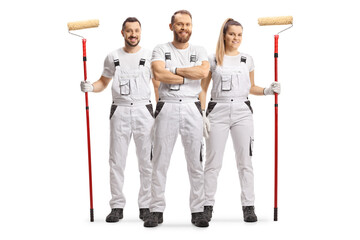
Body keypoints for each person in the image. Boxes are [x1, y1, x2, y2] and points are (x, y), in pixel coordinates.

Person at [199, 18, 281, 223]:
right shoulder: (213, 59)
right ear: (224, 35)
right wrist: (201, 113)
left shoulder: (247, 59)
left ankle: (248, 207)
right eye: (232, 34)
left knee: (245, 162)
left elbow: (250, 87)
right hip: (217, 110)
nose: (236, 38)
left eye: (239, 34)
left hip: (242, 112)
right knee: (212, 162)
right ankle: (206, 206)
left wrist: (268, 91)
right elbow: (202, 89)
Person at [80, 17, 157, 223]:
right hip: (119, 112)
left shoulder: (150, 56)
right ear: (122, 33)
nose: (133, 34)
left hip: (144, 111)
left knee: (147, 162)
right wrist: (90, 87)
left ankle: (146, 206)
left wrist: (160, 112)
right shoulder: (112, 57)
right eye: (129, 31)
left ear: (141, 32)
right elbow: (103, 82)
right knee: (116, 161)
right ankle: (117, 206)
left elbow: (157, 85)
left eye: (136, 31)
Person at [143, 10, 210, 228]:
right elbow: (159, 74)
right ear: (171, 26)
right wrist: (186, 75)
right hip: (167, 106)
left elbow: (202, 73)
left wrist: (175, 70)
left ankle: (198, 210)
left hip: (192, 107)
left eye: (188, 24)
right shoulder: (161, 49)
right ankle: (156, 210)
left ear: (192, 26)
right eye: (179, 24)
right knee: (160, 161)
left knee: (196, 162)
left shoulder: (199, 50)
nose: (184, 28)